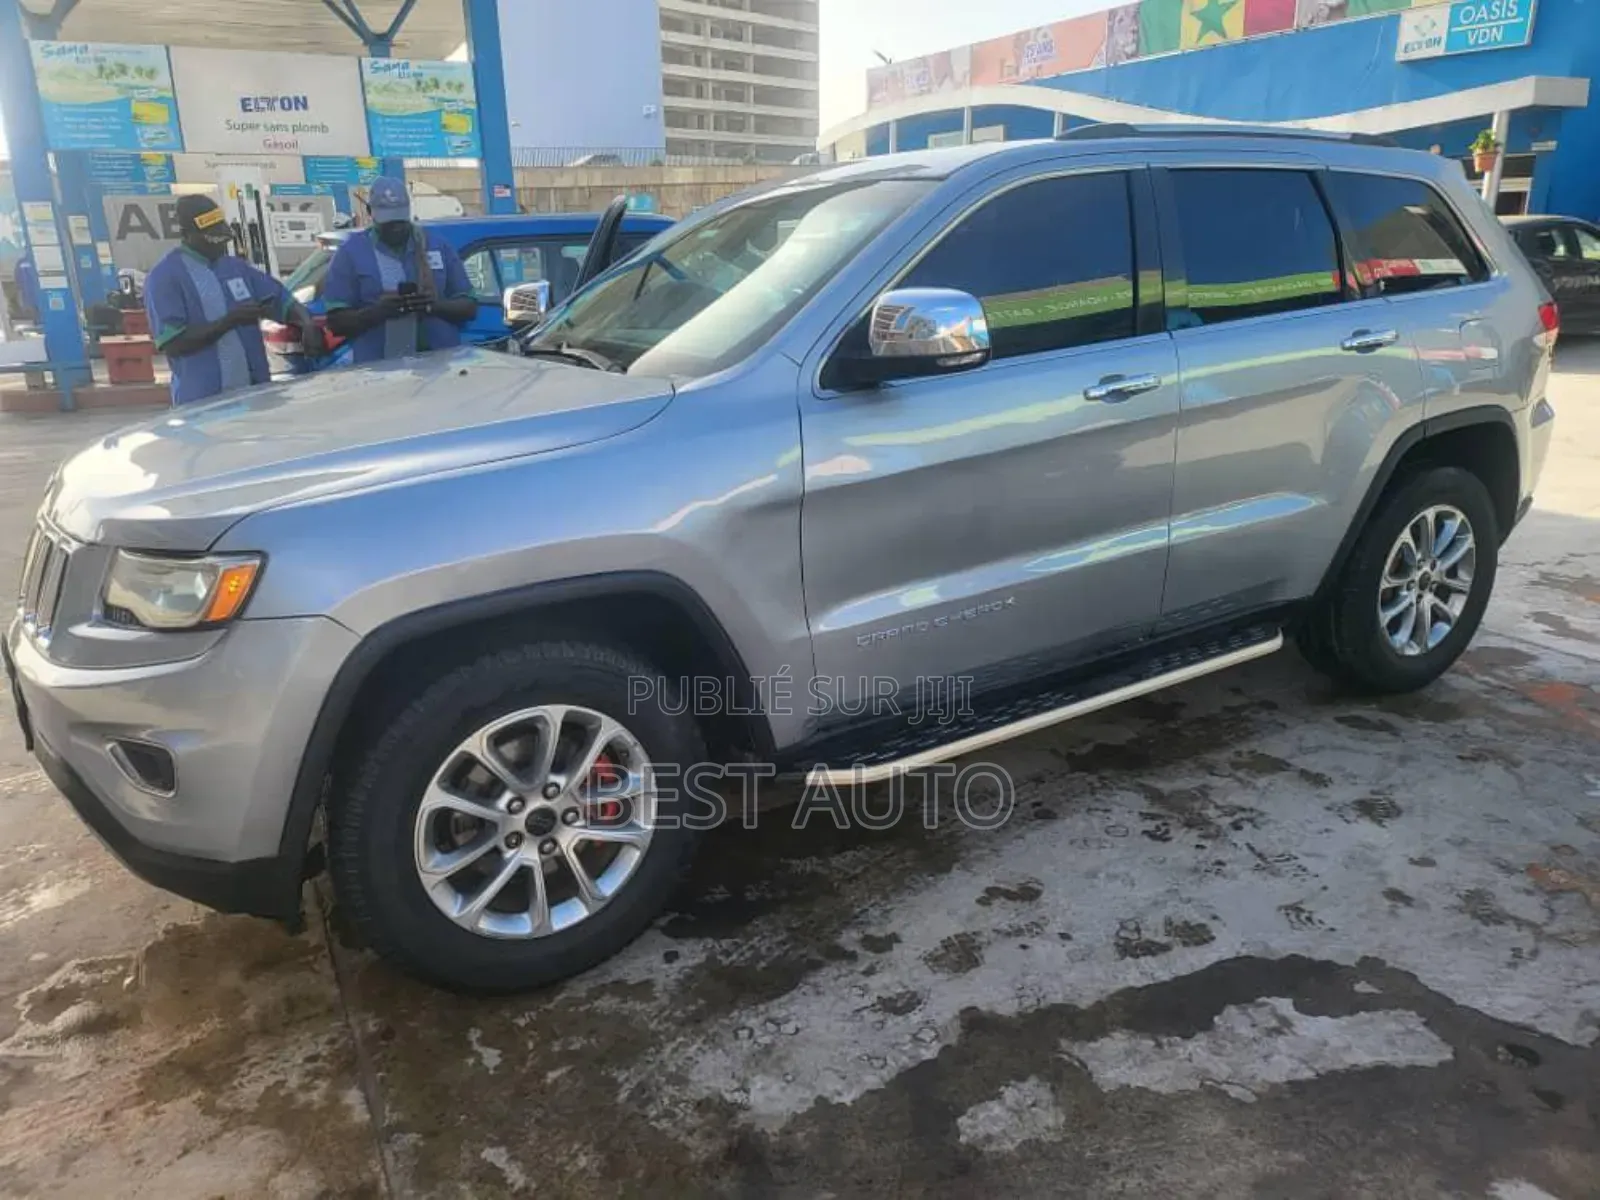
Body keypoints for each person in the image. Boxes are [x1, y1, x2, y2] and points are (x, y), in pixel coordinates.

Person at [144, 194, 323, 406]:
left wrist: (306, 323)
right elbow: (174, 343)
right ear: (187, 234)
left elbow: (280, 299)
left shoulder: (236, 268)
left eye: (223, 238)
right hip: (203, 401)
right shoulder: (165, 277)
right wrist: (229, 322)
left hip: (254, 395)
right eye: (212, 240)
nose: (220, 246)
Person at [322, 177, 477, 364]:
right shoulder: (351, 254)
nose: (396, 228)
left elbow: (469, 306)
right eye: (388, 222)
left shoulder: (436, 245)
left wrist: (431, 306)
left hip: (439, 367)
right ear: (370, 212)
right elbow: (336, 322)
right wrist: (378, 312)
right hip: (378, 370)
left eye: (400, 221)